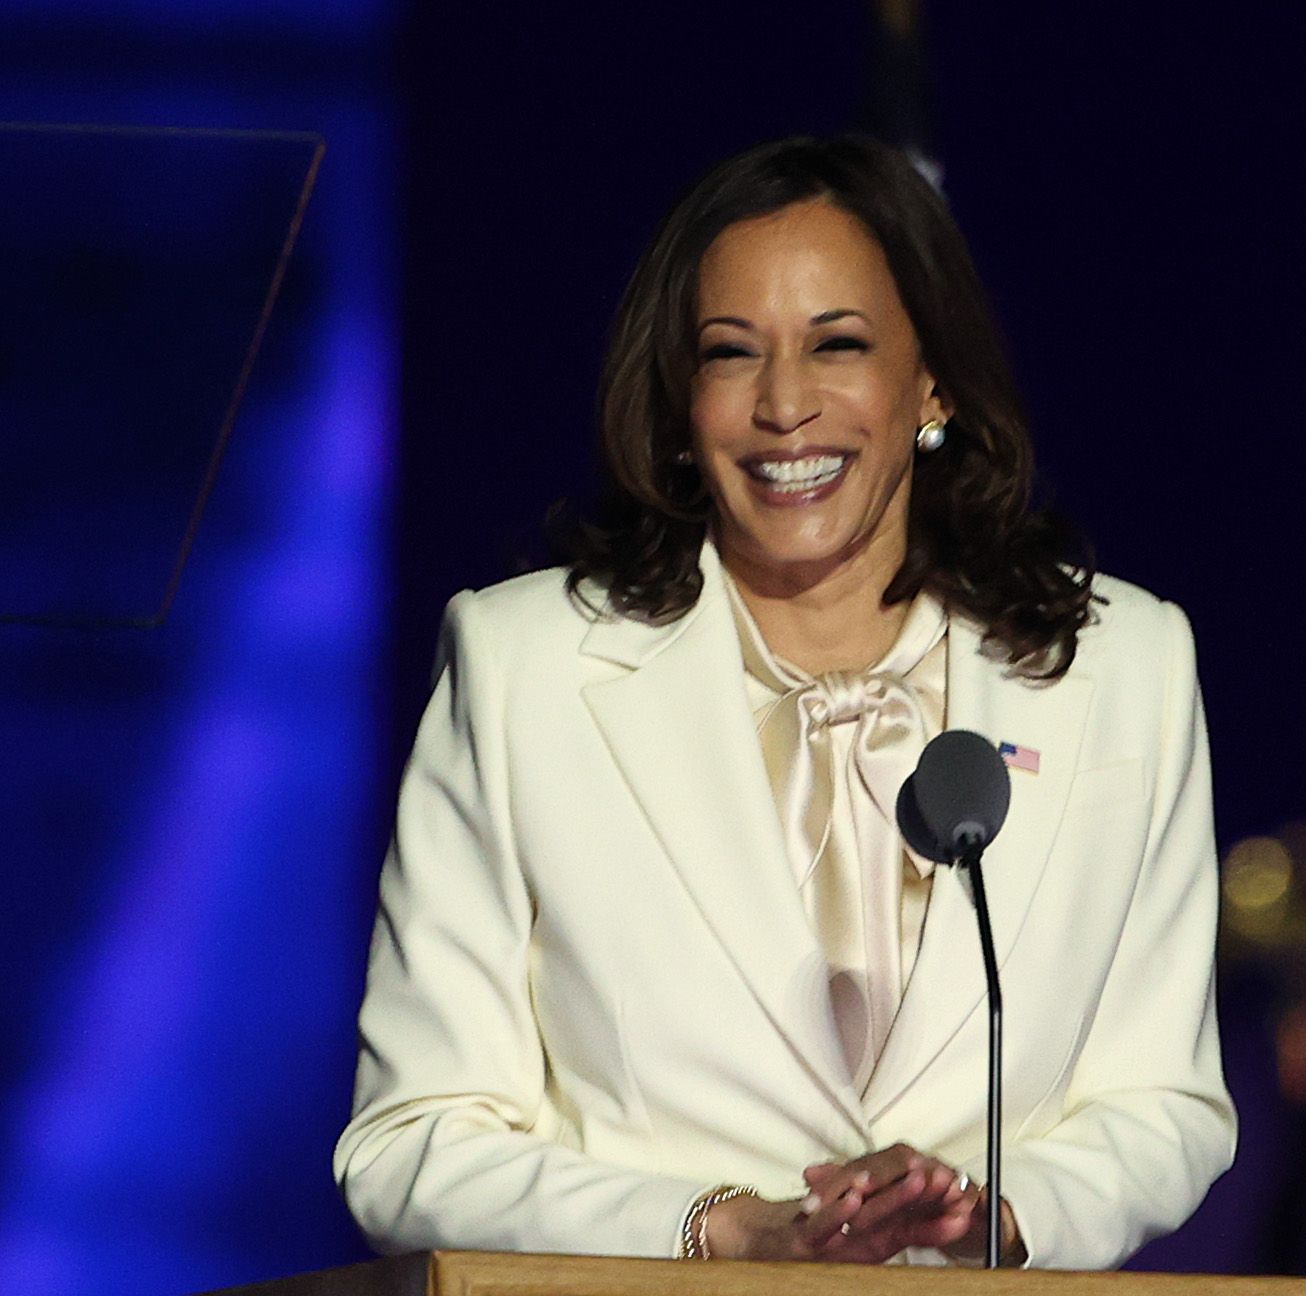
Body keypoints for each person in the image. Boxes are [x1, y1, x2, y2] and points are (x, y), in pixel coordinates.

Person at [333, 134, 1235, 1269]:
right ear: (678, 398)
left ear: (931, 380)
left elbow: (1163, 1103)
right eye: (729, 354)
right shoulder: (525, 669)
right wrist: (713, 1231)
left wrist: (993, 1211)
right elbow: (412, 1146)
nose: (783, 407)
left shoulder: (1125, 670)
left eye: (837, 345)